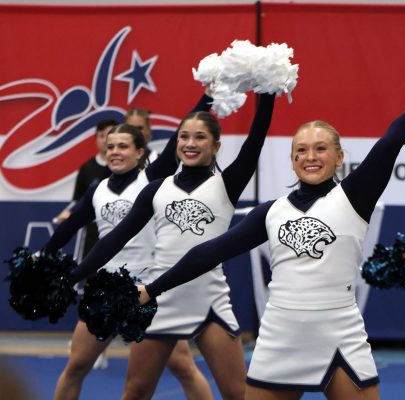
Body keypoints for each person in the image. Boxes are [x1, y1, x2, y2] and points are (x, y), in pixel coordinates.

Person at [106, 79, 405, 400]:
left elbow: (394, 137)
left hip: (339, 334)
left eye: (320, 149)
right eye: (300, 150)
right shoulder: (271, 212)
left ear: (339, 157)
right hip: (280, 338)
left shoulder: (354, 197)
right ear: (291, 160)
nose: (310, 157)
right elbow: (208, 253)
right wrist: (152, 289)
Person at [69, 92, 277, 400]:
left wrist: (268, 93)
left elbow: (254, 142)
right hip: (159, 298)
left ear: (216, 145)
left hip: (210, 300)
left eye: (200, 137)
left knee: (237, 394)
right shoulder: (156, 189)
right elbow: (115, 238)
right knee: (136, 392)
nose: (190, 143)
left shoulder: (226, 185)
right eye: (183, 137)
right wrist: (72, 276)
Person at [44, 93, 215, 400]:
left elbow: (179, 133)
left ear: (140, 153)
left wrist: (207, 98)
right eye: (110, 146)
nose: (115, 152)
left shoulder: (150, 180)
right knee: (76, 366)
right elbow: (69, 226)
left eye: (123, 146)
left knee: (182, 367)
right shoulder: (97, 189)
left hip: (146, 289)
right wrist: (41, 257)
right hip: (105, 289)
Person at [53, 119, 116, 256]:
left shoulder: (126, 170)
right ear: (96, 138)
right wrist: (71, 213)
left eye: (110, 136)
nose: (106, 140)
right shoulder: (86, 169)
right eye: (102, 135)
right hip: (93, 233)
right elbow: (79, 201)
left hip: (119, 232)